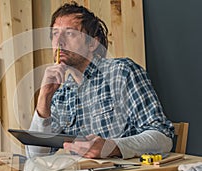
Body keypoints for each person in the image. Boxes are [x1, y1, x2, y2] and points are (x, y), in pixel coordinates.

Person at [26, 1, 174, 159]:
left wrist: (113, 147)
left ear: (92, 43)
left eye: (70, 33)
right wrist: (44, 96)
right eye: (55, 33)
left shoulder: (122, 72)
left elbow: (163, 138)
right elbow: (35, 155)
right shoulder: (61, 93)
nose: (59, 41)